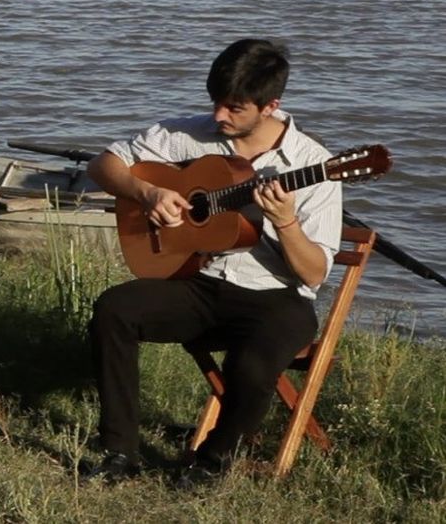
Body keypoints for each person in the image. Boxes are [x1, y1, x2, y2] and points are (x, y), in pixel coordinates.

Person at [81, 38, 342, 487]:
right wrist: (149, 193)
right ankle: (119, 452)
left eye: (235, 108)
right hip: (198, 282)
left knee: (256, 359)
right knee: (115, 310)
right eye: (216, 103)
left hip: (275, 296)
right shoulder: (189, 133)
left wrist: (285, 222)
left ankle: (213, 461)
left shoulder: (313, 165)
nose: (220, 116)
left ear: (271, 106)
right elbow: (102, 165)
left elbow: (314, 273)